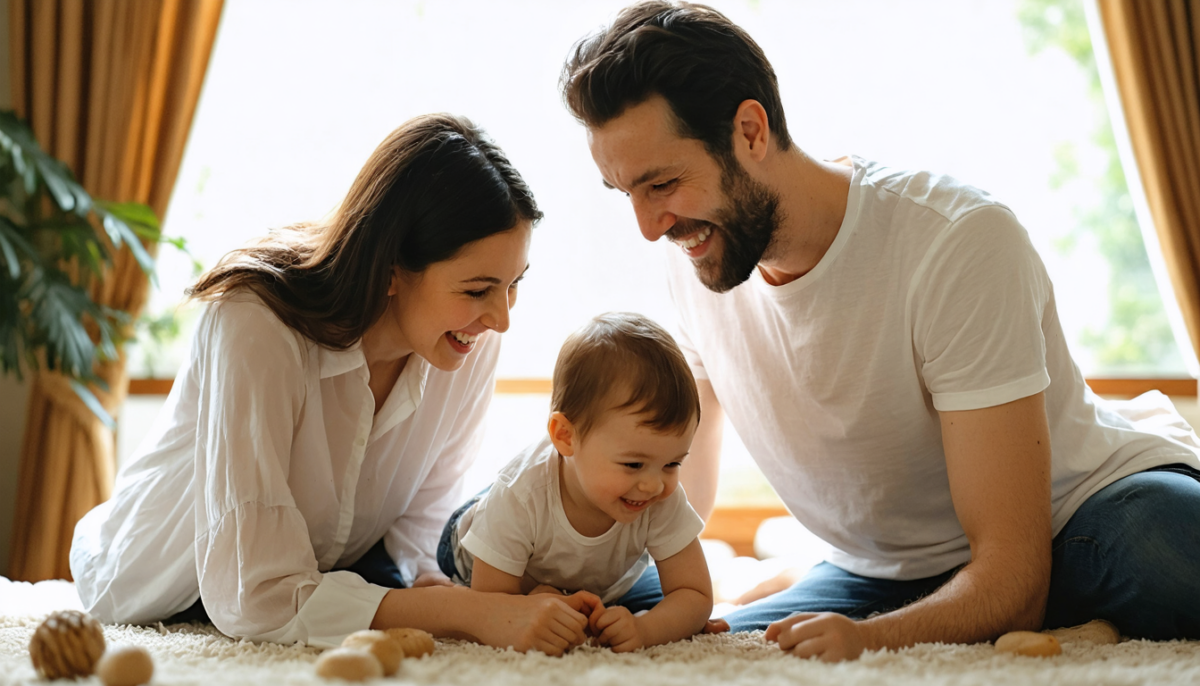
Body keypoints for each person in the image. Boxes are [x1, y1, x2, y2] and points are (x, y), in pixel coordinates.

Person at [558, 0, 1200, 662]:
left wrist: (872, 639)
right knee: (616, 616)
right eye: (625, 193)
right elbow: (673, 490)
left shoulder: (954, 242)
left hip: (1076, 518)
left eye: (661, 184)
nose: (647, 227)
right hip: (878, 570)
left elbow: (1014, 572)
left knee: (1169, 553)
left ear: (750, 131)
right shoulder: (699, 259)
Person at [70, 114, 602, 655]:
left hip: (336, 561)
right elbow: (254, 593)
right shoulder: (255, 322)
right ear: (391, 268)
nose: (500, 318)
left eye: (513, 285)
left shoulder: (466, 340)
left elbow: (421, 524)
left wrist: (473, 592)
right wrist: (468, 611)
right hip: (164, 581)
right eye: (477, 289)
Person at [437, 312, 718, 652]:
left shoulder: (654, 491)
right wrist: (533, 597)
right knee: (477, 583)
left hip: (595, 573)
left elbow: (695, 593)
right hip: (472, 551)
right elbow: (491, 606)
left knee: (644, 599)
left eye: (673, 463)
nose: (653, 485)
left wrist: (648, 629)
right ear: (566, 437)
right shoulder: (520, 496)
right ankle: (437, 584)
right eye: (633, 464)